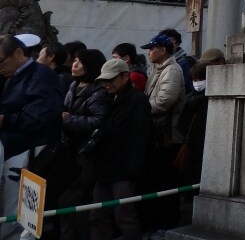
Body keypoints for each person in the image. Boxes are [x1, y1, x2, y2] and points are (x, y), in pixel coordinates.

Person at [0, 35, 62, 240]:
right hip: (11, 150)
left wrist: (5, 120)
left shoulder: (41, 75)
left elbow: (41, 116)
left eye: (1, 61)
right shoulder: (12, 76)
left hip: (31, 153)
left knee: (19, 214)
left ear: (18, 53)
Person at [88, 59, 151, 240]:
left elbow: (141, 138)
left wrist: (132, 170)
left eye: (111, 80)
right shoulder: (106, 98)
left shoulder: (137, 100)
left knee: (124, 215)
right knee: (97, 214)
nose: (107, 84)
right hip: (104, 167)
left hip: (124, 170)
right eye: (104, 80)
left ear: (125, 76)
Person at [58, 49, 110, 240]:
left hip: (86, 154)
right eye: (75, 60)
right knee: (65, 201)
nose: (74, 64)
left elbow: (99, 122)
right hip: (68, 152)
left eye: (80, 61)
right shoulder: (73, 85)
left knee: (75, 201)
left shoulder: (98, 91)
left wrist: (69, 120)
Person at [139, 34, 186, 236]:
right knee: (156, 179)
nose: (149, 52)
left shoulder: (172, 70)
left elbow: (164, 101)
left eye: (152, 48)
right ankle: (158, 220)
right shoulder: (156, 69)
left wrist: (140, 109)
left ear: (163, 50)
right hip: (157, 133)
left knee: (166, 181)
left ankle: (168, 222)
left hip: (167, 135)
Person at [175, 63, 209, 184]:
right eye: (195, 80)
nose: (197, 83)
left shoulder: (210, 99)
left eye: (201, 79)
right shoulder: (190, 99)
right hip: (192, 142)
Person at [158, 28, 194, 94]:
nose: (166, 45)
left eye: (170, 41)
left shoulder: (184, 63)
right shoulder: (158, 63)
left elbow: (187, 89)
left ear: (177, 43)